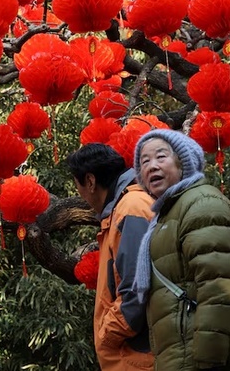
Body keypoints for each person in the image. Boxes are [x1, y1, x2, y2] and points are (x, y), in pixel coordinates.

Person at [131, 129, 230, 371]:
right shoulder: (167, 215)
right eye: (145, 161)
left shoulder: (201, 203)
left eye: (161, 157)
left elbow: (219, 287)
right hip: (181, 356)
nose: (152, 166)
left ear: (183, 162)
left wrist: (209, 361)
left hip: (199, 359)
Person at [67, 142, 155, 370]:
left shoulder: (131, 208)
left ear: (90, 181)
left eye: (78, 185)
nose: (81, 195)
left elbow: (136, 292)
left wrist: (105, 335)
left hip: (139, 359)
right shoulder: (125, 207)